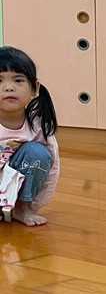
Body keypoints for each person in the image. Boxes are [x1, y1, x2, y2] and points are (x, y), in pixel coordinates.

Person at [0, 46, 59, 226]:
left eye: (18, 80)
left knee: (38, 153)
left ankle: (20, 208)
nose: (9, 88)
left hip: (12, 183)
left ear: (35, 88)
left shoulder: (38, 126)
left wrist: (33, 205)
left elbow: (52, 168)